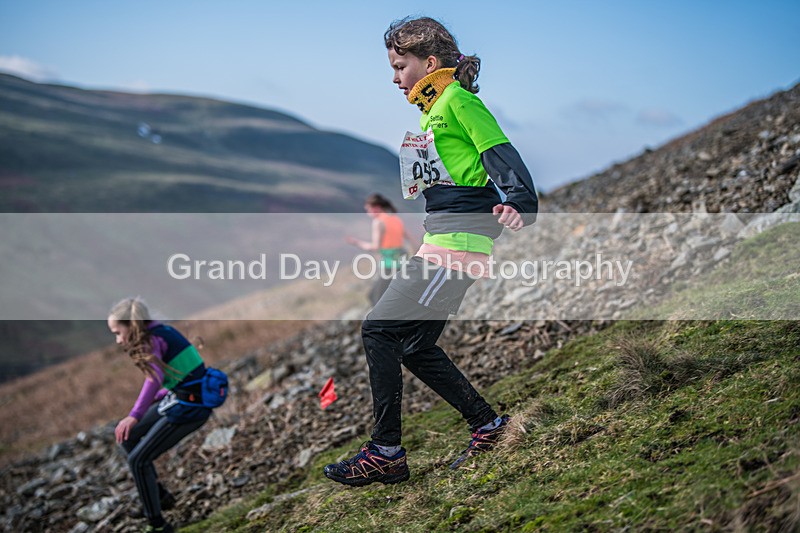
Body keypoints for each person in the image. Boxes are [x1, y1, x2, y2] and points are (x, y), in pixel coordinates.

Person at [324, 16, 538, 487]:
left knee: (378, 329)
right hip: (443, 238)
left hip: (457, 242)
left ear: (430, 62)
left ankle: (385, 452)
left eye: (400, 67)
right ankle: (488, 425)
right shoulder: (432, 110)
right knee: (414, 345)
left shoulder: (458, 100)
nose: (395, 78)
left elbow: (499, 152)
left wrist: (520, 201)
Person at [109, 297, 212, 533]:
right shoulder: (163, 331)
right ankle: (159, 496)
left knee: (138, 460)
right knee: (127, 437)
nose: (118, 340)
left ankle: (157, 525)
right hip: (183, 398)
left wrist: (135, 414)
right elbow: (187, 372)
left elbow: (154, 378)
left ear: (131, 325)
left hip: (191, 407)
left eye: (117, 333)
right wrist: (161, 394)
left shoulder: (151, 340)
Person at [346, 193, 419, 305]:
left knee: (375, 297)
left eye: (368, 209)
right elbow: (411, 239)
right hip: (402, 260)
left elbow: (375, 247)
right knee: (384, 295)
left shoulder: (378, 222)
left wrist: (357, 243)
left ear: (376, 208)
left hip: (390, 263)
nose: (368, 213)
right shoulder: (395, 219)